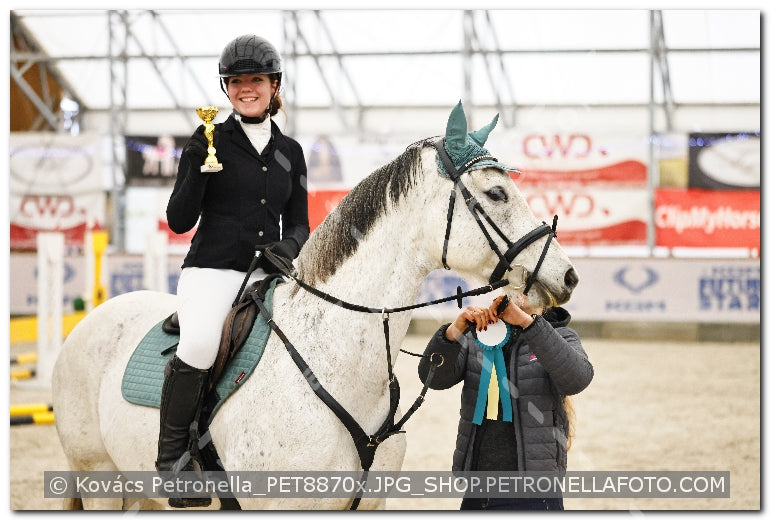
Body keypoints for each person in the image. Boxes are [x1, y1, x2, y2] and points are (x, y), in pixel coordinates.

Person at [157, 34, 309, 508]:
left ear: (273, 85)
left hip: (270, 275)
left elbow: (301, 223)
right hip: (212, 269)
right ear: (227, 89)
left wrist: (288, 245)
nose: (247, 89)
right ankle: (173, 464)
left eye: (256, 81)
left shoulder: (291, 151)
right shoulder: (208, 140)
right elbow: (179, 220)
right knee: (201, 344)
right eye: (237, 82)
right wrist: (198, 176)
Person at [418, 294, 593, 510]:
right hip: (478, 490)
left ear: (546, 296)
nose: (521, 289)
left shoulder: (561, 335)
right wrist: (453, 332)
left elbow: (578, 379)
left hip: (535, 493)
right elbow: (432, 378)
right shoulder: (479, 335)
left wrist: (527, 323)